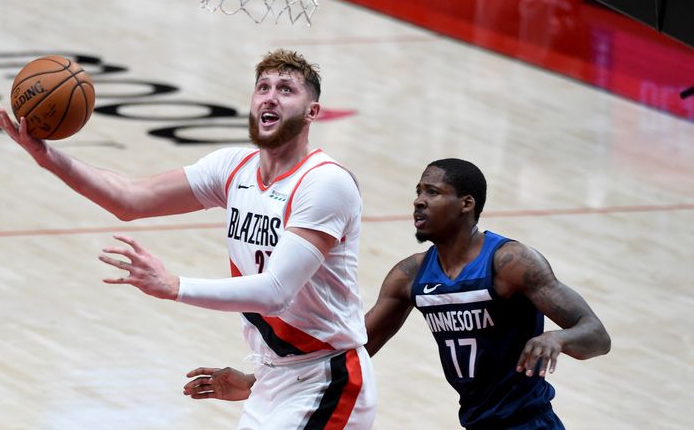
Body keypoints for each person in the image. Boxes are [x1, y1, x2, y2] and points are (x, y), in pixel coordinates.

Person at [0, 49, 376, 430]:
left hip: (327, 381)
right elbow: (130, 199)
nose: (270, 96)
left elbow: (277, 291)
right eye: (263, 87)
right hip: (273, 379)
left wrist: (174, 286)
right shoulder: (232, 168)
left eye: (286, 89)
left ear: (312, 112)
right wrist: (45, 156)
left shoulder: (325, 183)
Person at [183, 158, 611, 430]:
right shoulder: (410, 276)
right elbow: (347, 350)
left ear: (466, 204)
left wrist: (556, 338)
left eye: (432, 192)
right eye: (417, 192)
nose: (418, 202)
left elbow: (595, 334)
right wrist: (260, 383)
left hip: (528, 422)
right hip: (477, 421)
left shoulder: (510, 262)